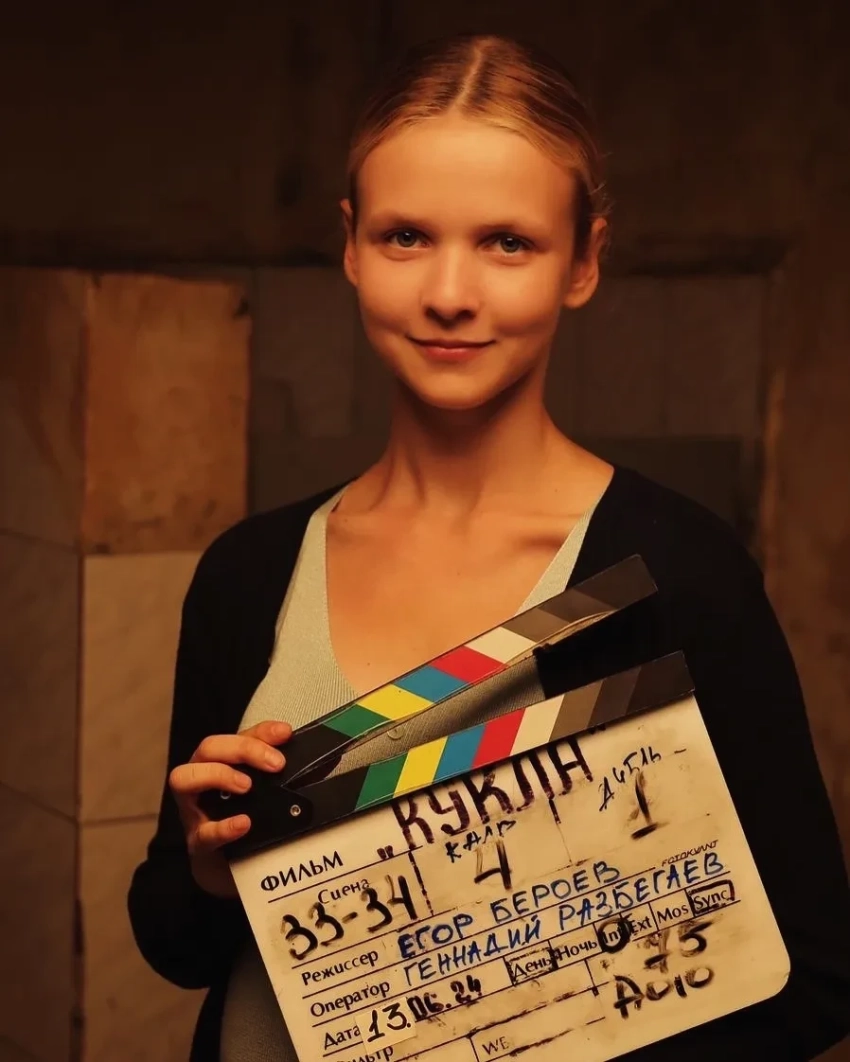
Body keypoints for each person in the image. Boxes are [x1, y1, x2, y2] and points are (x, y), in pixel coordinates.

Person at [128, 32, 850, 1062]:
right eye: (405, 236)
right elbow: (176, 945)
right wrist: (209, 875)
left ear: (584, 260)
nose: (449, 292)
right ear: (350, 245)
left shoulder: (682, 574)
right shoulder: (247, 574)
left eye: (508, 242)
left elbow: (814, 974)